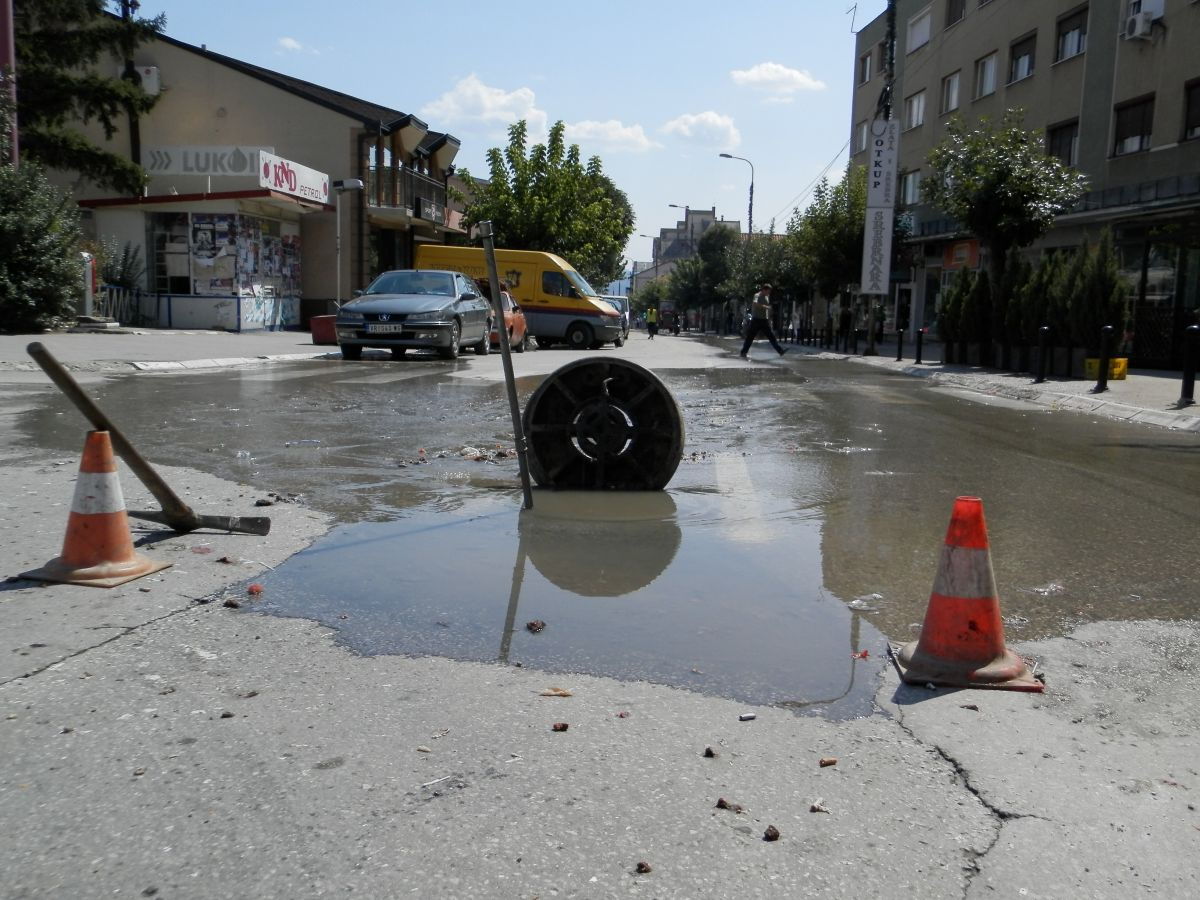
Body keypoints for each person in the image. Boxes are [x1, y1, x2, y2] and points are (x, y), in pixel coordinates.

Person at [739, 283, 788, 358]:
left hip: (764, 320)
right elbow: (755, 304)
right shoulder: (757, 295)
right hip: (756, 320)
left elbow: (767, 309)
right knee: (750, 337)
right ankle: (743, 352)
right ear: (764, 290)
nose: (769, 293)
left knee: (771, 336)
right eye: (768, 291)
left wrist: (768, 317)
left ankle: (780, 351)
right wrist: (766, 307)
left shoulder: (767, 297)